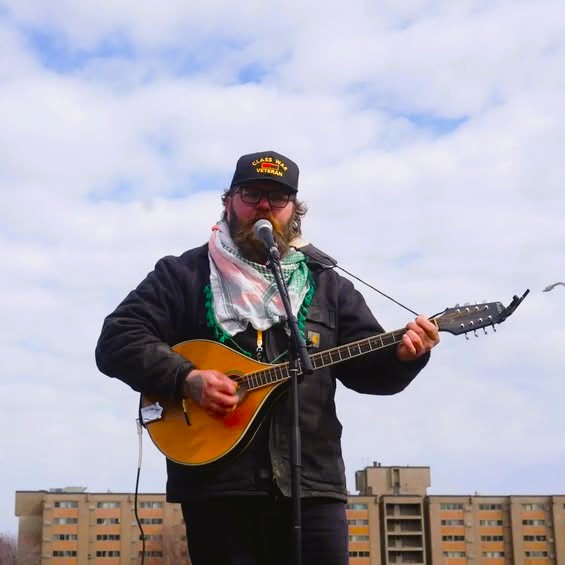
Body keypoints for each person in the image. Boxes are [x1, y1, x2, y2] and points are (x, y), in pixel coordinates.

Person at [95, 150, 440, 565]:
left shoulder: (327, 285)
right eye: (252, 194)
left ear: (294, 209)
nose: (264, 205)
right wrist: (187, 378)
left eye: (277, 197)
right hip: (218, 489)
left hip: (312, 487)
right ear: (229, 201)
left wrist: (405, 356)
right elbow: (117, 339)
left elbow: (369, 374)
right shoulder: (182, 275)